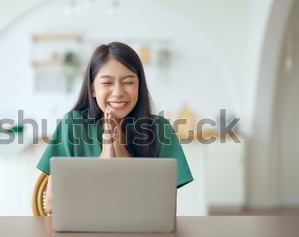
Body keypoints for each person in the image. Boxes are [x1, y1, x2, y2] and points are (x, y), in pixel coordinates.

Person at [36, 41, 193, 215]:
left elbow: (165, 210)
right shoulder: (73, 124)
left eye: (128, 82)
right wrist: (104, 160)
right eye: (107, 83)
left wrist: (121, 154)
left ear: (139, 87)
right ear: (93, 89)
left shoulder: (161, 130)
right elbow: (51, 204)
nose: (118, 92)